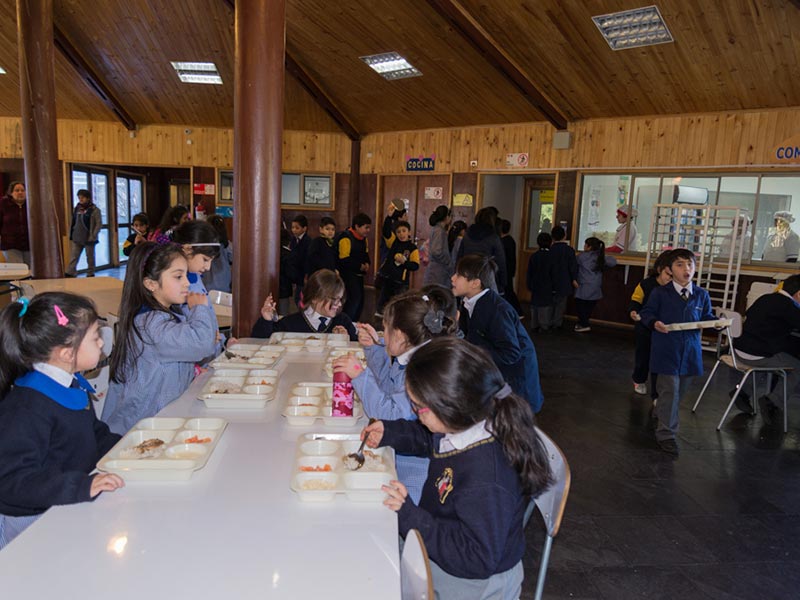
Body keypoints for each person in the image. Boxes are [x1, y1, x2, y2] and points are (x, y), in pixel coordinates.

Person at [362, 338, 553, 599]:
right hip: (447, 540)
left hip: (476, 581)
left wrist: (410, 517)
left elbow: (476, 557)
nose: (415, 412)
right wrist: (390, 432)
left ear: (450, 407)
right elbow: (429, 437)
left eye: (417, 407)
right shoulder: (465, 423)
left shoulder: (487, 478)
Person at [0, 292, 125, 548]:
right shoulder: (27, 408)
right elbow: (12, 481)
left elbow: (93, 433)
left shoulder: (70, 383)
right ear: (67, 354)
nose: (101, 343)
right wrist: (80, 486)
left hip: (64, 504)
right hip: (32, 520)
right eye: (95, 337)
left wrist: (127, 449)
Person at [333, 288, 457, 504]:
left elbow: (389, 414)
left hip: (419, 467)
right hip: (406, 448)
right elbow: (387, 386)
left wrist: (361, 376)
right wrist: (374, 348)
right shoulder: (411, 355)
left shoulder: (420, 369)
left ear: (400, 335)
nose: (384, 336)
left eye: (385, 331)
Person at [101, 243, 218, 434]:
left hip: (159, 419)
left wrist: (192, 371)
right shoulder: (151, 325)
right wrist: (199, 308)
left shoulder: (161, 316)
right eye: (178, 276)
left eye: (186, 275)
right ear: (151, 284)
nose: (187, 283)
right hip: (141, 428)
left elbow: (166, 362)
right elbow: (202, 344)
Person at [639, 249, 716, 455]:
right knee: (670, 391)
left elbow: (707, 316)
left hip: (690, 353)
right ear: (670, 270)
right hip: (667, 350)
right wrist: (654, 323)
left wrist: (717, 323)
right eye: (680, 265)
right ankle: (667, 435)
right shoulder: (660, 293)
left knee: (677, 393)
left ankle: (661, 411)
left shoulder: (701, 295)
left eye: (689, 264)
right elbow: (646, 313)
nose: (686, 269)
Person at [452, 254, 544, 413]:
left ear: (475, 283)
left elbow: (511, 353)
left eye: (458, 275)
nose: (452, 278)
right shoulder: (468, 301)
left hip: (516, 383)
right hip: (496, 378)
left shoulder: (497, 310)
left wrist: (472, 352)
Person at [730, 274, 800, 426]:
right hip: (756, 355)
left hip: (739, 350)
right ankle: (773, 402)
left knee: (772, 355)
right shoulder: (789, 306)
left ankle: (742, 392)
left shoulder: (766, 298)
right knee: (797, 367)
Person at [252, 269, 357, 340]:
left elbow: (357, 348)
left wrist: (345, 340)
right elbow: (260, 341)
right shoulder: (290, 324)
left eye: (340, 299)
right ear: (315, 298)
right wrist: (266, 320)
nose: (338, 304)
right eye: (334, 299)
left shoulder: (343, 322)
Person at [628, 250, 673, 397]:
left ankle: (656, 391)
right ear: (660, 269)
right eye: (669, 274)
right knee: (643, 356)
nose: (671, 278)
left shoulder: (675, 289)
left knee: (659, 360)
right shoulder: (646, 284)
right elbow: (635, 300)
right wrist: (633, 312)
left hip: (663, 330)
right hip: (645, 328)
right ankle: (639, 379)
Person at [457, 207, 507, 293]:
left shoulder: (467, 235)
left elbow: (459, 257)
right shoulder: (493, 237)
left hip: (468, 276)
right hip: (487, 278)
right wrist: (503, 283)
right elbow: (501, 262)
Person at [376, 219, 419, 315]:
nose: (401, 234)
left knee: (399, 307)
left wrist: (404, 262)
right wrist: (389, 216)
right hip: (388, 279)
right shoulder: (393, 242)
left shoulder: (412, 248)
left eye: (404, 231)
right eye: (398, 232)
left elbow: (415, 265)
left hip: (401, 283)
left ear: (409, 232)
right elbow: (386, 231)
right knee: (382, 304)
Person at [574, 237, 617, 332]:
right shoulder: (600, 257)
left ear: (589, 247)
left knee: (580, 306)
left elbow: (573, 262)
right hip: (596, 285)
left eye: (585, 245)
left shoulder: (582, 257)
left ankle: (584, 324)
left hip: (584, 285)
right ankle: (583, 323)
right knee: (589, 307)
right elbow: (613, 262)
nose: (584, 246)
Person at [337, 213, 371, 321]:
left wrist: (367, 264)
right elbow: (344, 259)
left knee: (360, 301)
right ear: (357, 226)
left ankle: (354, 322)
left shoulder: (364, 239)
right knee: (354, 300)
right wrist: (359, 266)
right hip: (348, 274)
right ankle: (346, 322)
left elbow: (365, 254)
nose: (368, 230)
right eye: (366, 227)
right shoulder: (345, 238)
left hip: (359, 274)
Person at [65, 189, 102, 277]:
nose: (80, 199)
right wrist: (71, 233)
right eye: (79, 197)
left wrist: (93, 235)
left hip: (89, 237)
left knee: (90, 257)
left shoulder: (95, 210)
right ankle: (70, 272)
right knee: (74, 256)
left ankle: (90, 272)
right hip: (77, 237)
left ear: (88, 198)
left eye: (83, 197)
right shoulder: (76, 209)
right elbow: (73, 221)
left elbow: (98, 224)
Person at [549, 225, 578, 330]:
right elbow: (573, 266)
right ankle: (557, 323)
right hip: (564, 281)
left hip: (550, 280)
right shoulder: (569, 250)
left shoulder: (550, 250)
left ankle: (548, 321)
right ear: (565, 236)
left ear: (552, 237)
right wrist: (574, 279)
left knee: (550, 302)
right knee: (561, 303)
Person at [526, 232, 554, 332]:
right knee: (546, 305)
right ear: (550, 243)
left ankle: (534, 324)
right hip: (547, 284)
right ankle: (544, 325)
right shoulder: (552, 256)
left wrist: (529, 284)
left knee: (534, 304)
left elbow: (529, 272)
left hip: (535, 284)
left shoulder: (534, 256)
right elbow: (553, 273)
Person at [422, 205, 453, 289]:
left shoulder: (438, 229)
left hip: (437, 269)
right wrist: (447, 261)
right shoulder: (439, 231)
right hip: (438, 270)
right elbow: (436, 251)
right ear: (446, 217)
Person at [0, 181, 30, 265]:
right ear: (11, 193)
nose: (20, 192)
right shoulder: (3, 204)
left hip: (29, 244)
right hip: (10, 245)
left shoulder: (31, 204)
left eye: (22, 190)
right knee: (18, 270)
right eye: (17, 190)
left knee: (30, 270)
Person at [202, 215, 233, 293]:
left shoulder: (203, 246)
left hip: (206, 287)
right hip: (224, 287)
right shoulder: (227, 245)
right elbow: (234, 260)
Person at [500, 219, 524, 317]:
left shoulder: (503, 241)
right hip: (509, 269)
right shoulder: (510, 240)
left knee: (508, 291)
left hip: (505, 270)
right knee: (508, 290)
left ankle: (518, 311)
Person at [287, 214, 311, 304]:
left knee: (300, 297)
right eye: (292, 227)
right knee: (297, 297)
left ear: (304, 228)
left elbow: (307, 260)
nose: (294, 230)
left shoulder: (308, 241)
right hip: (295, 272)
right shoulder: (293, 240)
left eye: (297, 228)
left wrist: (307, 274)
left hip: (303, 273)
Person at [379, 199, 408, 264]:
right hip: (389, 263)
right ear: (399, 218)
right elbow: (386, 232)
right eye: (405, 215)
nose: (407, 218)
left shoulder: (405, 230)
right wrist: (389, 216)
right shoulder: (391, 229)